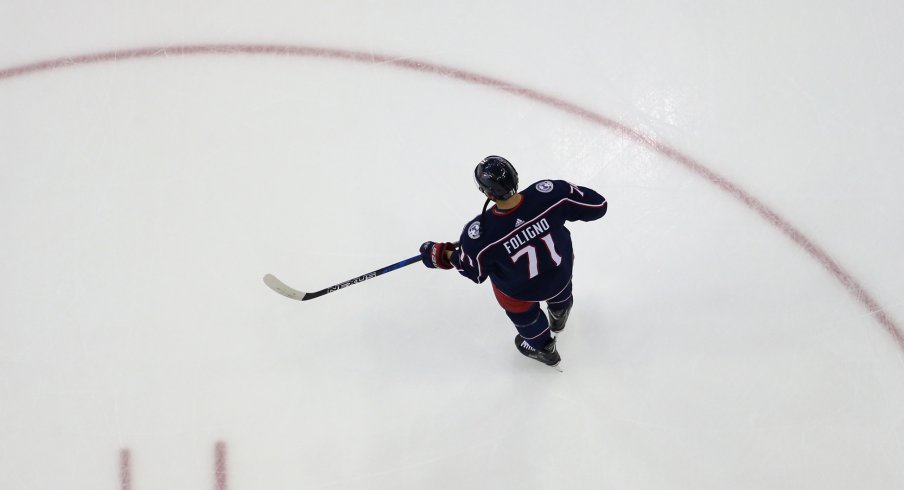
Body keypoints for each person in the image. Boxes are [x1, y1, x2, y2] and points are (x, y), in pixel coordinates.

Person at [420, 156, 607, 367]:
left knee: (524, 315)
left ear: (488, 193)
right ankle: (559, 312)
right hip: (560, 272)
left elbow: (473, 270)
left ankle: (544, 348)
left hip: (520, 291)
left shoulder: (479, 235)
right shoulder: (551, 194)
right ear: (515, 177)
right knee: (560, 282)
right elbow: (598, 206)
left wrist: (439, 254)